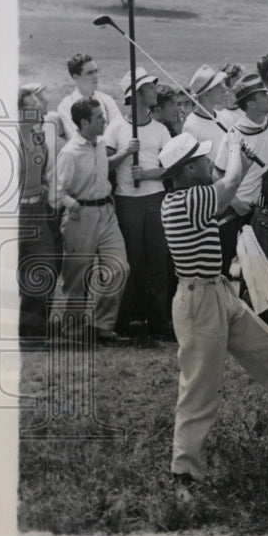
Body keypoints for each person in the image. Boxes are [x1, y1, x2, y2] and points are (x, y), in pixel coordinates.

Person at [159, 130, 268, 494]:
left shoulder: (191, 195)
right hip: (198, 301)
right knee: (200, 388)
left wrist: (246, 158)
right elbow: (230, 181)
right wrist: (235, 148)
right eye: (202, 159)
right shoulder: (187, 198)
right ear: (188, 170)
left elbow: (230, 184)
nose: (209, 162)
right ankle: (183, 473)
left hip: (218, 292)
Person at [213, 73, 268, 343]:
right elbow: (217, 174)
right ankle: (223, 326)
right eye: (263, 95)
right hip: (237, 211)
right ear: (250, 103)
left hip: (267, 211)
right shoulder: (232, 134)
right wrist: (235, 201)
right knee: (227, 269)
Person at [55, 97, 130, 342]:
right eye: (99, 117)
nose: (104, 120)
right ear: (85, 122)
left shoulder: (100, 144)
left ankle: (102, 326)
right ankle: (73, 332)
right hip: (81, 217)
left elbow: (102, 166)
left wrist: (124, 153)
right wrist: (72, 205)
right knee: (77, 276)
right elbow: (58, 191)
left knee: (119, 267)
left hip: (107, 214)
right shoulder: (69, 152)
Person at [107, 67, 173, 338]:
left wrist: (147, 174)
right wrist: (126, 153)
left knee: (159, 261)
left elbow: (170, 167)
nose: (155, 92)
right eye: (150, 88)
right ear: (137, 94)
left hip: (155, 200)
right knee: (130, 262)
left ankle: (158, 321)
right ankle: (124, 320)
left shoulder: (161, 130)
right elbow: (105, 163)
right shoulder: (116, 129)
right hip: (127, 202)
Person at [16, 83, 62, 340]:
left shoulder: (37, 137)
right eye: (33, 107)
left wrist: (42, 188)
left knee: (44, 267)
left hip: (38, 211)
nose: (39, 110)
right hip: (14, 215)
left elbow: (42, 171)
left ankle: (31, 331)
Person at [56, 53, 126, 141]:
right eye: (89, 73)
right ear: (76, 77)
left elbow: (122, 132)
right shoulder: (66, 106)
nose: (95, 76)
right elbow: (78, 140)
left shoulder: (107, 100)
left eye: (96, 71)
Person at [183, 64, 229, 159]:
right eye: (219, 86)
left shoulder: (224, 117)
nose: (224, 89)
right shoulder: (191, 125)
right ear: (206, 94)